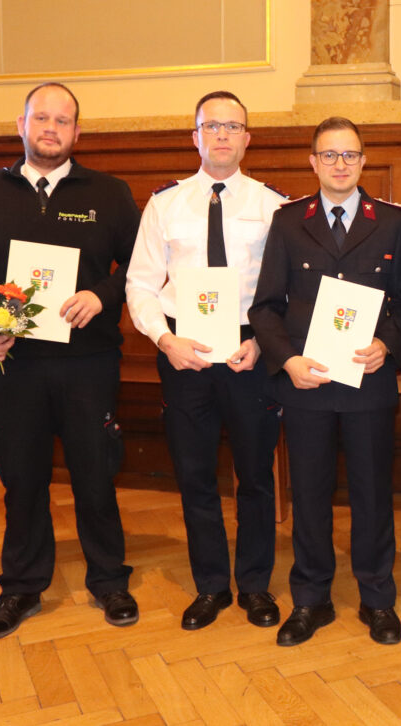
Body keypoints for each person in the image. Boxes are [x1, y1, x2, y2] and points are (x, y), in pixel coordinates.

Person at [0, 82, 141, 639]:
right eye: (41, 118)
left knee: (95, 475)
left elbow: (143, 270)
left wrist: (103, 295)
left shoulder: (110, 193)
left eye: (63, 120)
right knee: (22, 480)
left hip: (89, 363)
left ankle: (108, 580)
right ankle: (21, 588)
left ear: (77, 132)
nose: (51, 128)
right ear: (21, 124)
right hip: (13, 365)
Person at [249, 116, 401, 646]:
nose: (340, 165)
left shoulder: (391, 222)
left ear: (364, 161)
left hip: (368, 384)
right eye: (330, 155)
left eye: (350, 155)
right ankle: (311, 599)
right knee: (310, 495)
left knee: (372, 496)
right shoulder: (288, 220)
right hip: (308, 385)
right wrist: (287, 361)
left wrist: (388, 343)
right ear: (313, 162)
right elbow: (265, 308)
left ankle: (377, 599)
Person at [125, 91, 286, 631]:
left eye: (232, 126)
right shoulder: (164, 205)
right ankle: (211, 586)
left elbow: (285, 290)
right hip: (183, 352)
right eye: (210, 126)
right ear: (194, 135)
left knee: (256, 475)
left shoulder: (273, 206)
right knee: (195, 475)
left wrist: (265, 342)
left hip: (248, 351)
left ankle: (257, 585)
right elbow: (141, 284)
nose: (221, 135)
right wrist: (164, 340)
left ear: (247, 138)